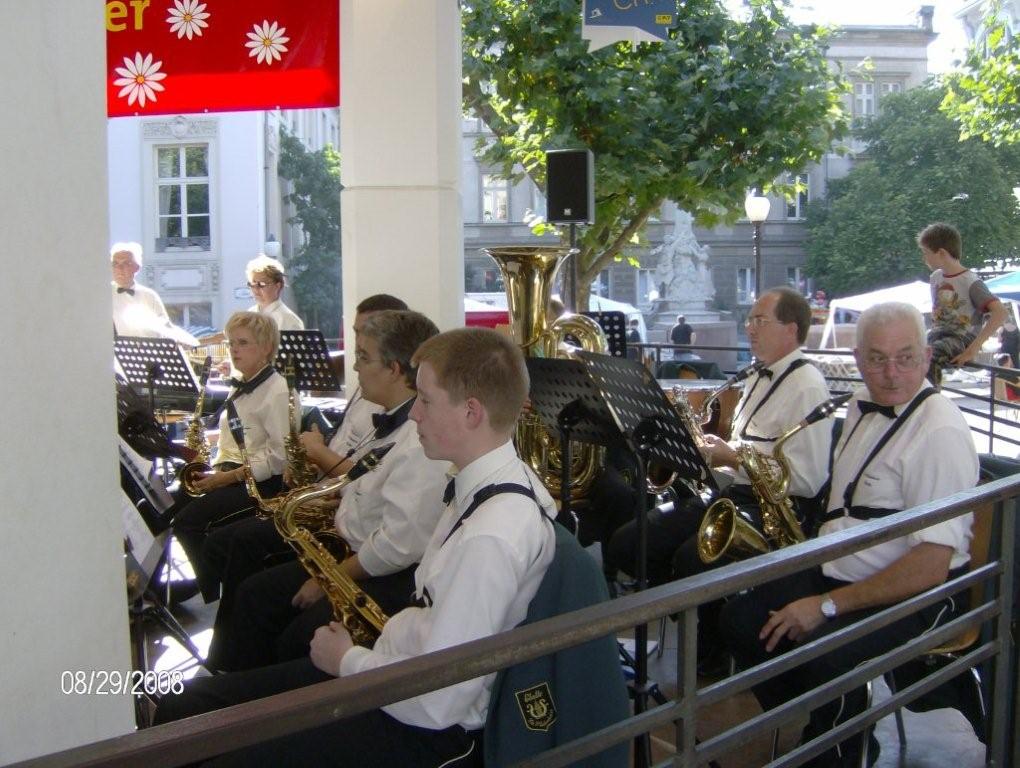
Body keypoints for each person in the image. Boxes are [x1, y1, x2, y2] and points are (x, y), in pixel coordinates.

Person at [155, 328, 559, 768]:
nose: (416, 416)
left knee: (204, 744)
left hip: (419, 725)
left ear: (471, 413)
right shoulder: (480, 486)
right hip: (391, 674)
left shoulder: (490, 535)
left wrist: (348, 660)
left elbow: (438, 701)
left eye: (424, 400)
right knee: (188, 705)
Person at [719, 301, 977, 767]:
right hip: (839, 569)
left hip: (919, 596)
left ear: (925, 358)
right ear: (857, 359)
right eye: (877, 358)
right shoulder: (861, 402)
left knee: (826, 659)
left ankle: (837, 744)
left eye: (905, 357)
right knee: (741, 621)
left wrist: (826, 606)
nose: (892, 373)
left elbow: (930, 566)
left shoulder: (939, 431)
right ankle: (834, 726)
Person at [204, 310, 448, 673]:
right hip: (350, 547)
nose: (355, 368)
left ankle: (255, 704)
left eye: (363, 357)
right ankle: (228, 682)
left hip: (378, 572)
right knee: (254, 593)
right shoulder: (386, 419)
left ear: (395, 369)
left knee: (289, 635)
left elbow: (396, 547)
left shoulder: (417, 439)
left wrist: (324, 578)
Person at [608, 287, 832, 668]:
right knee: (631, 542)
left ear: (791, 330)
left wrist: (731, 455)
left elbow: (807, 480)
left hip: (776, 509)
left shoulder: (807, 385)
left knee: (688, 559)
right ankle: (703, 627)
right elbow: (751, 448)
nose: (750, 328)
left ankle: (710, 655)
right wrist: (716, 448)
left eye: (760, 320)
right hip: (734, 493)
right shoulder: (759, 375)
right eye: (750, 320)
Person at [170, 311, 290, 604]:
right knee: (173, 503)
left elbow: (279, 458)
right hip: (231, 471)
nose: (234, 349)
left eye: (243, 343)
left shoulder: (276, 391)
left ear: (265, 348)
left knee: (187, 523)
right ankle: (205, 581)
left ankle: (214, 592)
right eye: (231, 342)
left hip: (262, 483)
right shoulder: (242, 383)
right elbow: (240, 437)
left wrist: (225, 478)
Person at [920, 222, 1006, 385]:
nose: (924, 258)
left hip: (961, 337)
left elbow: (1000, 313)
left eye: (926, 253)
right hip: (938, 333)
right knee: (909, 352)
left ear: (941, 253)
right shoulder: (936, 278)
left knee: (929, 357)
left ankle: (928, 401)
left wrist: (973, 348)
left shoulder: (970, 281)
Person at [111, 241, 172, 337]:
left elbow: (167, 328)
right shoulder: (104, 295)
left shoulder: (150, 296)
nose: (119, 268)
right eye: (115, 263)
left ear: (137, 268)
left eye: (126, 263)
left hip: (149, 350)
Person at [246, 253, 304, 332]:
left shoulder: (290, 321)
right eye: (252, 284)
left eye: (261, 284)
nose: (255, 289)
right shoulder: (249, 315)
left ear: (278, 286)